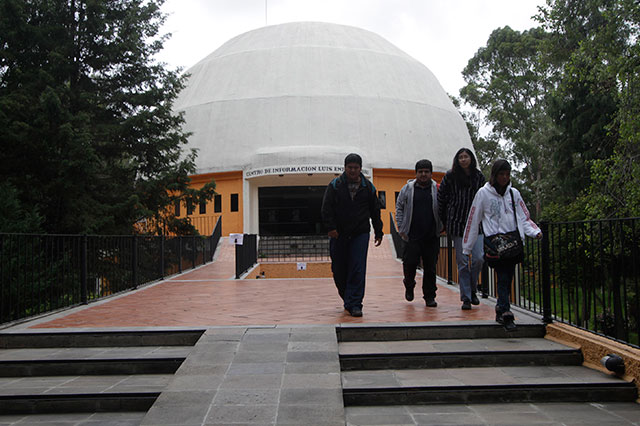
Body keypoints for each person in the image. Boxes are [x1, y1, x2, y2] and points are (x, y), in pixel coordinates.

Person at [462, 159, 542, 329]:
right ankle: (506, 312)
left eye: (507, 174)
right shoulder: (483, 194)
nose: (504, 178)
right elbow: (473, 219)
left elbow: (524, 217)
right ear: (494, 175)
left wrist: (535, 231)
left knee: (506, 277)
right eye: (501, 174)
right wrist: (467, 246)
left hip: (512, 244)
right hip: (495, 244)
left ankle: (501, 310)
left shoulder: (514, 194)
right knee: (504, 276)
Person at [321, 153, 384, 317]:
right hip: (338, 234)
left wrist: (379, 231)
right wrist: (331, 228)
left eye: (356, 168)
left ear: (360, 169)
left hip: (360, 234)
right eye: (350, 167)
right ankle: (347, 297)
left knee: (357, 267)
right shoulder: (335, 185)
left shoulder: (368, 187)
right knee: (339, 269)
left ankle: (355, 303)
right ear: (345, 168)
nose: (353, 171)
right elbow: (326, 209)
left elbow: (375, 211)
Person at [437, 148, 486, 310]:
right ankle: (466, 297)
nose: (463, 160)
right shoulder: (450, 176)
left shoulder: (478, 177)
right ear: (457, 160)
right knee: (463, 262)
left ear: (471, 159)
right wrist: (445, 218)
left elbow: (485, 197)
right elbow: (441, 197)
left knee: (479, 257)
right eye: (460, 157)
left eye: (466, 157)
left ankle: (472, 289)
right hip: (457, 224)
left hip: (476, 224)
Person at [395, 159, 443, 307]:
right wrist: (402, 229)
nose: (423, 174)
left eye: (426, 172)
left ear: (431, 173)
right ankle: (409, 285)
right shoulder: (407, 189)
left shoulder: (437, 189)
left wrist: (442, 227)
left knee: (430, 267)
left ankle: (429, 296)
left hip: (431, 235)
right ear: (416, 173)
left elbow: (444, 208)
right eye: (420, 172)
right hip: (412, 235)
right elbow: (399, 207)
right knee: (409, 264)